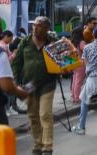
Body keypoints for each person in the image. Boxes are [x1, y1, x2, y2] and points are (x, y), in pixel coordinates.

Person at [12, 16, 57, 155]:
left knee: (45, 114)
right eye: (34, 25)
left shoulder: (53, 43)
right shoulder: (24, 43)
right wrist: (16, 81)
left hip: (47, 84)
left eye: (40, 26)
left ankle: (47, 146)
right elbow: (16, 63)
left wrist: (64, 69)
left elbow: (63, 61)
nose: (36, 28)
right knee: (33, 116)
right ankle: (38, 144)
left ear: (47, 29)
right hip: (28, 84)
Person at [70, 27, 86, 104]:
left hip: (74, 62)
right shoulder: (81, 42)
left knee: (74, 80)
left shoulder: (72, 42)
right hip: (81, 63)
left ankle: (74, 96)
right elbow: (86, 50)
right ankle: (77, 98)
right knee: (79, 81)